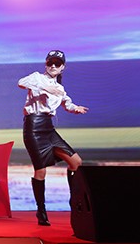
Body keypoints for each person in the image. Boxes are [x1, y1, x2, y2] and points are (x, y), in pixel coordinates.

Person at [18, 50, 88, 226]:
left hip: (49, 128)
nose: (53, 66)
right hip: (34, 127)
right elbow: (21, 83)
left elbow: (66, 102)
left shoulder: (60, 88)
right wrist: (44, 88)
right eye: (50, 63)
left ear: (63, 67)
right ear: (46, 64)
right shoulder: (37, 77)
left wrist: (75, 108)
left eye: (57, 63)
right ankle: (41, 211)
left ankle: (74, 200)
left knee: (76, 162)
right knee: (40, 171)